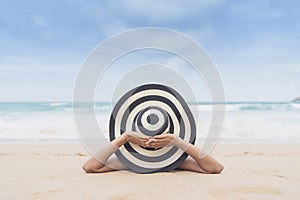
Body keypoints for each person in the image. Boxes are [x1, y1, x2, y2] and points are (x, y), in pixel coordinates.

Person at [82, 132, 224, 174]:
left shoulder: (175, 161)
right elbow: (89, 166)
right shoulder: (131, 161)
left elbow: (216, 168)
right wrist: (123, 138)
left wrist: (179, 142)